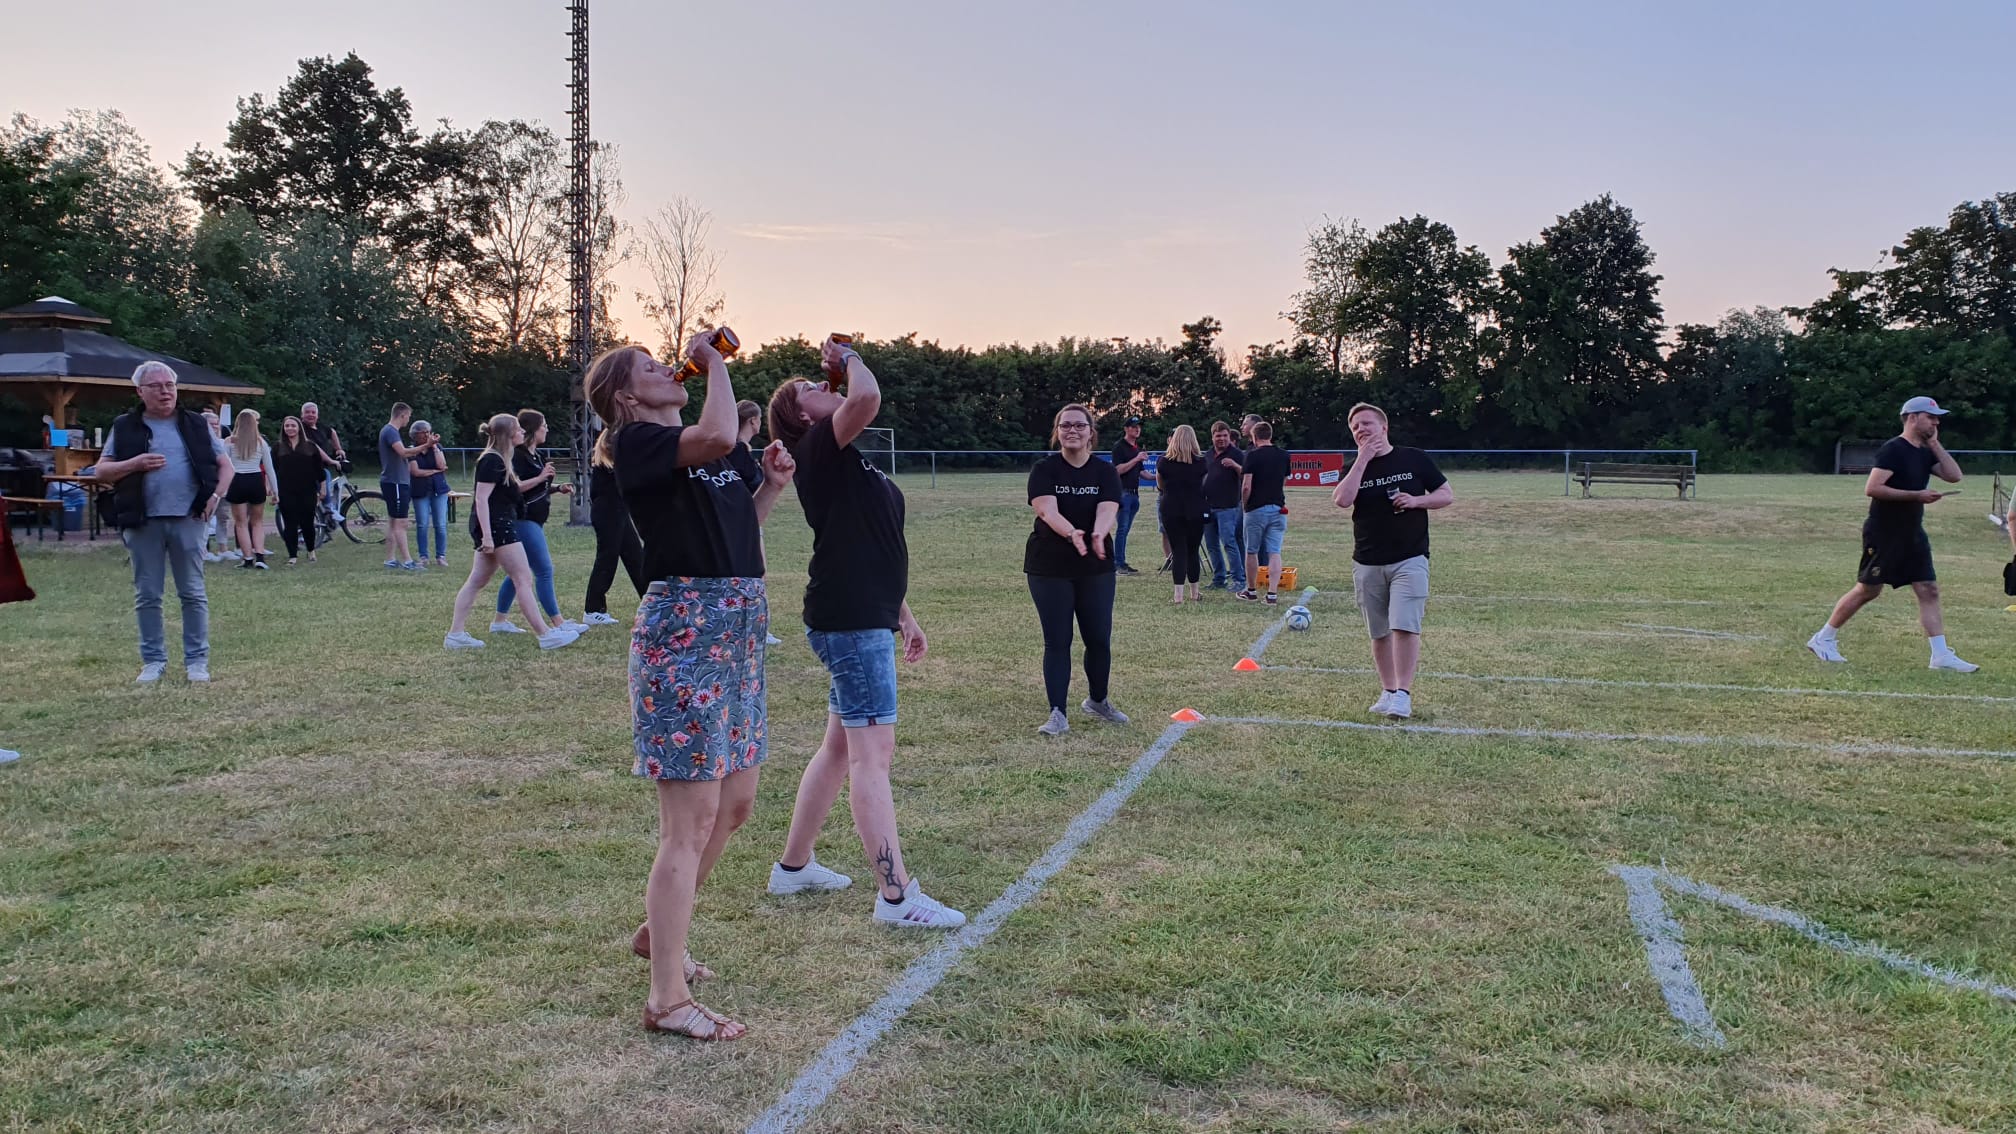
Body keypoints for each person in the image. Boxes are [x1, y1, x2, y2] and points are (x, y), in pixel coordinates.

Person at [584, 333, 797, 1041]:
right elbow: (716, 431)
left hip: (738, 629)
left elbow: (738, 530)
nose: (666, 368)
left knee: (735, 805)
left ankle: (659, 934)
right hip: (685, 633)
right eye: (651, 368)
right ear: (626, 397)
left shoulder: (711, 452)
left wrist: (769, 487)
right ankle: (666, 999)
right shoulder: (636, 443)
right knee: (690, 821)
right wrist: (718, 365)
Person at [761, 338, 966, 928]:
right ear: (802, 418)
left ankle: (794, 868)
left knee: (839, 750)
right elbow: (867, 396)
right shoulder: (819, 447)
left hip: (860, 614)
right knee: (872, 757)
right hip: (850, 622)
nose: (822, 389)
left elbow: (869, 543)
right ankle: (896, 897)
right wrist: (847, 357)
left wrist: (903, 613)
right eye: (810, 390)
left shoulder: (847, 457)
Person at [1806, 396, 1977, 671]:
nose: (1936, 422)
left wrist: (1935, 444)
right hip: (1884, 531)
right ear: (1912, 417)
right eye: (1931, 417)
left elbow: (1954, 475)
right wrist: (1916, 495)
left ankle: (1941, 655)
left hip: (1912, 531)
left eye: (1937, 418)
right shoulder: (1893, 449)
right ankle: (1823, 638)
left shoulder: (1925, 451)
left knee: (1928, 589)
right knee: (1868, 589)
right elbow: (1873, 488)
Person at [95, 362, 235, 683]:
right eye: (156, 386)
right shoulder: (125, 426)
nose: (165, 391)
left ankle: (197, 662)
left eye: (170, 385)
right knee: (148, 595)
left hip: (190, 517)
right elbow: (101, 471)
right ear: (140, 392)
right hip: (142, 520)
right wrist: (135, 464)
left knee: (193, 593)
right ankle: (153, 661)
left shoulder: (195, 423)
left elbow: (225, 466)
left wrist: (215, 496)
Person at [1331, 403, 1453, 719]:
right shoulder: (1354, 466)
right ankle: (1387, 690)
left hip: (1409, 557)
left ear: (1384, 427)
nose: (1361, 429)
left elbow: (1446, 494)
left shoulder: (1413, 458)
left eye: (1366, 423)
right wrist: (1363, 459)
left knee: (1404, 624)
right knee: (1379, 631)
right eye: (1355, 426)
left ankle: (1403, 694)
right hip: (1367, 561)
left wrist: (1416, 501)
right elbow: (1342, 500)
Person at [1026, 403, 1128, 736]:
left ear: (1090, 433)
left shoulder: (1104, 472)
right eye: (1065, 425)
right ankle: (1057, 713)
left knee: (1098, 638)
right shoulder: (1045, 469)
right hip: (1049, 564)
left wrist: (1098, 533)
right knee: (1058, 640)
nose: (1072, 430)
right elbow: (1046, 511)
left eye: (1079, 425)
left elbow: (1108, 509)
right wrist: (1072, 533)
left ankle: (1098, 701)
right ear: (1057, 432)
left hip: (1095, 564)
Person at [442, 415, 582, 652]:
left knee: (478, 580)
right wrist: (487, 536)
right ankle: (545, 635)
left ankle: (455, 634)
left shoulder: (502, 459)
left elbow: (512, 490)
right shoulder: (491, 460)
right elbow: (481, 499)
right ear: (508, 434)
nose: (522, 432)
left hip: (499, 524)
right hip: (498, 526)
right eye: (518, 429)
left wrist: (553, 486)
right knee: (523, 578)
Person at [492, 410, 587, 636]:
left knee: (517, 573)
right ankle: (558, 623)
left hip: (536, 518)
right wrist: (542, 477)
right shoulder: (517, 456)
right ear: (533, 430)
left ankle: (499, 621)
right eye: (544, 425)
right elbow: (515, 487)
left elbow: (537, 486)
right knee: (544, 570)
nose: (547, 429)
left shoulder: (537, 456)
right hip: (523, 519)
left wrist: (556, 487)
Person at [733, 399, 785, 646]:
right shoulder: (738, 451)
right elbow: (753, 485)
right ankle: (757, 630)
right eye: (759, 419)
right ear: (753, 421)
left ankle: (756, 628)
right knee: (755, 577)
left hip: (744, 522)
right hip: (745, 523)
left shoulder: (735, 450)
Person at [582, 439, 647, 628]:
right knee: (607, 558)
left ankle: (649, 602)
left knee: (635, 557)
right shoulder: (610, 459)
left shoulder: (616, 458)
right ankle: (593, 610)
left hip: (619, 510)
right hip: (608, 510)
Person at [1239, 421, 1292, 605]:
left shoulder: (1252, 455)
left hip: (1256, 508)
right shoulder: (1284, 455)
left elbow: (1246, 486)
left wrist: (1245, 505)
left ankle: (1251, 590)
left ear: (1254, 437)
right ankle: (1272, 594)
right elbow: (1283, 480)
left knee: (1251, 551)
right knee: (1274, 552)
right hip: (1278, 508)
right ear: (1270, 435)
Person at [1156, 425, 1209, 604]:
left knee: (1178, 551)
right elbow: (1204, 484)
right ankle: (1195, 593)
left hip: (1171, 508)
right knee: (1193, 551)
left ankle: (1178, 596)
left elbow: (1160, 485)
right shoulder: (1201, 462)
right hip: (1195, 509)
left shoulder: (1163, 461)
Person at [224, 409, 277, 570]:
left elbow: (225, 465)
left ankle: (247, 558)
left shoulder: (230, 441)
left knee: (240, 523)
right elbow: (270, 469)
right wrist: (276, 491)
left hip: (237, 481)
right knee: (257, 522)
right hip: (255, 480)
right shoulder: (261, 442)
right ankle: (260, 556)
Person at [272, 415, 325, 565]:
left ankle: (311, 550)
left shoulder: (310, 446)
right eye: (287, 426)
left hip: (307, 489)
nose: (290, 428)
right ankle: (292, 555)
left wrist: (322, 488)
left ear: (299, 428)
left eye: (293, 426)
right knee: (290, 523)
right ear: (283, 428)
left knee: (307, 522)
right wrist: (271, 489)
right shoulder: (278, 447)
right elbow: (272, 470)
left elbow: (319, 469)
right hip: (285, 490)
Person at [378, 402, 424, 571]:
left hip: (395, 482)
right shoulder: (390, 431)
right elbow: (403, 452)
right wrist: (426, 446)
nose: (408, 420)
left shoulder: (390, 431)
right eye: (408, 416)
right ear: (402, 415)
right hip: (395, 482)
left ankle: (390, 559)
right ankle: (407, 561)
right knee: (400, 523)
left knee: (393, 522)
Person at [1202, 420, 1246, 591]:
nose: (1222, 439)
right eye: (1218, 435)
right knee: (1212, 545)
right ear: (1212, 437)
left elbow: (1246, 475)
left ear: (1229, 436)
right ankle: (1219, 578)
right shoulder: (1208, 455)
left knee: (1229, 543)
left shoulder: (1237, 454)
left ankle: (1239, 579)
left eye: (1225, 435)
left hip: (1228, 507)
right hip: (1208, 506)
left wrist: (1235, 466)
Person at [1109, 415, 1149, 575]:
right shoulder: (1119, 447)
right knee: (1122, 529)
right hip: (1123, 493)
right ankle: (1118, 564)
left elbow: (1142, 472)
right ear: (1126, 429)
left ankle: (1121, 562)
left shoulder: (1136, 448)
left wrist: (1159, 476)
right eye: (1133, 427)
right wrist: (1136, 459)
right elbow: (1117, 470)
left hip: (1134, 494)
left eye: (1138, 426)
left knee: (1125, 530)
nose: (1137, 429)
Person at [408, 420, 451, 567]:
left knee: (440, 524)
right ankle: (423, 556)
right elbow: (415, 472)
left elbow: (442, 465)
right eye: (423, 432)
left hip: (439, 489)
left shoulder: (437, 447)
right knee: (422, 524)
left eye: (428, 431)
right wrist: (434, 471)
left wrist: (434, 447)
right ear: (415, 435)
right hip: (420, 491)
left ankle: (441, 556)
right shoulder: (412, 450)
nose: (426, 435)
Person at [301, 402, 346, 530]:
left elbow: (332, 432)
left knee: (325, 479)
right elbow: (314, 448)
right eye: (307, 412)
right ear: (302, 415)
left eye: (313, 412)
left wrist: (338, 449)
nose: (310, 415)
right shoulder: (301, 429)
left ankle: (326, 514)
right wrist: (331, 461)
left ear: (317, 415)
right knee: (324, 476)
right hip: (308, 467)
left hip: (320, 466)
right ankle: (329, 509)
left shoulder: (321, 427)